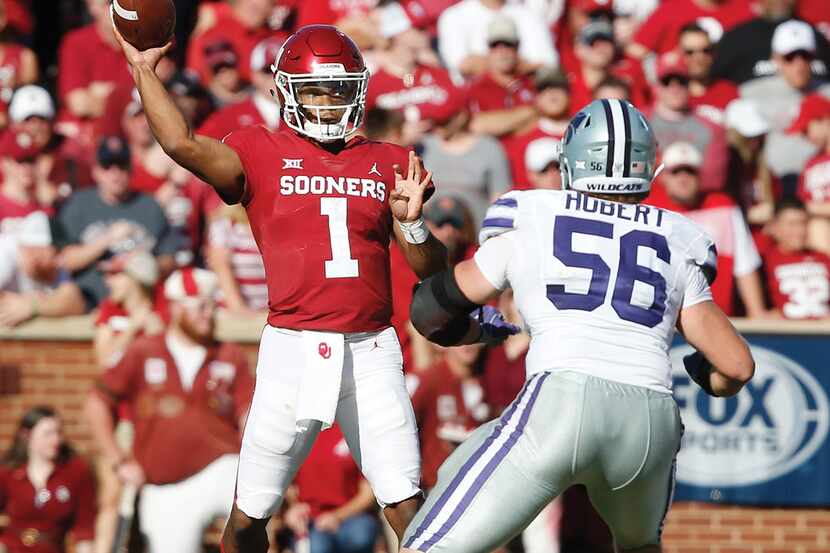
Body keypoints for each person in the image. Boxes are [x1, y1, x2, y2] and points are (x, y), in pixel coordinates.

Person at [111, 23, 449, 552]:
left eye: (338, 91)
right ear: (284, 92)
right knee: (249, 518)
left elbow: (432, 268)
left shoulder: (388, 161)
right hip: (293, 349)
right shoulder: (258, 150)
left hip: (371, 351)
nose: (328, 104)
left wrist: (411, 223)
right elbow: (179, 142)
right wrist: (142, 68)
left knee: (410, 506)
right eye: (315, 90)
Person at [401, 99, 755, 553]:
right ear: (647, 166)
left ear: (573, 161)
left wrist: (479, 332)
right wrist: (710, 378)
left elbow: (430, 311)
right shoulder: (678, 236)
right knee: (639, 546)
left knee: (430, 545)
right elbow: (738, 366)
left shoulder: (531, 213)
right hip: (649, 422)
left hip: (561, 402)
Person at [84, 267, 254, 553]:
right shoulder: (145, 350)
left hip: (223, 466)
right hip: (165, 483)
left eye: (213, 306)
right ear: (175, 307)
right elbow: (97, 402)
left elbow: (247, 410)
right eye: (200, 305)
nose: (208, 313)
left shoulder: (229, 354)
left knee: (255, 505)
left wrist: (259, 450)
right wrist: (118, 460)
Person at [53, 135, 178, 311]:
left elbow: (169, 259)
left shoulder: (150, 206)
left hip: (139, 305)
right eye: (107, 167)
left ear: (131, 168)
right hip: (90, 303)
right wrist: (106, 240)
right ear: (96, 171)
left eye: (121, 166)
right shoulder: (79, 205)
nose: (115, 174)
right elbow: (65, 261)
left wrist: (143, 264)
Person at [648, 141, 768, 317]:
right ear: (664, 177)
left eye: (690, 172)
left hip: (714, 318)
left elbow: (745, 265)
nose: (683, 179)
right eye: (676, 172)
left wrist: (757, 312)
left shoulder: (724, 207)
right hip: (662, 317)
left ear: (700, 176)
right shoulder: (650, 209)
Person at [739, 20, 830, 182]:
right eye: (790, 57)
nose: (799, 64)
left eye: (805, 56)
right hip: (775, 184)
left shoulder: (826, 93)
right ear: (776, 58)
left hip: (820, 180)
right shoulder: (751, 93)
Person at [0, 406, 96, 553]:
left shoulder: (75, 472)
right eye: (47, 434)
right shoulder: (8, 473)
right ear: (27, 435)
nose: (56, 439)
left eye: (58, 432)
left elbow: (85, 528)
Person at [418, 89, 513, 225]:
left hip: (475, 235)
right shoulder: (423, 147)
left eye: (443, 121)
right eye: (434, 121)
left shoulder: (490, 148)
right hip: (432, 235)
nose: (437, 127)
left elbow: (499, 200)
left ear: (461, 116)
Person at [284, 425, 381, 553]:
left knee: (359, 537)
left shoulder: (353, 430)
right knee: (316, 548)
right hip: (312, 520)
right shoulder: (299, 433)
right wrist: (294, 507)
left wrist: (337, 516)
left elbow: (368, 493)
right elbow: (288, 486)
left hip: (353, 517)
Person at [410, 343, 490, 490]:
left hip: (478, 484)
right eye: (460, 338)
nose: (468, 344)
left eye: (474, 337)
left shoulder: (489, 379)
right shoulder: (428, 380)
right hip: (434, 486)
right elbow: (403, 432)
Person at [647, 50, 729, 192]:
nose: (675, 89)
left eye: (681, 82)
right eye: (667, 82)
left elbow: (715, 180)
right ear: (656, 87)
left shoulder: (711, 127)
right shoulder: (639, 123)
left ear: (689, 85)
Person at [711, 0, 830, 86]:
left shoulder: (815, 35)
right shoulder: (737, 37)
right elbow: (716, 83)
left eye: (805, 55)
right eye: (789, 57)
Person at [437, 0, 557, 83]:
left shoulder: (528, 15)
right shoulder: (454, 16)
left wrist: (497, 65)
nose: (503, 52)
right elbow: (464, 65)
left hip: (525, 97)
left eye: (509, 46)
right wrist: (518, 65)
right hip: (474, 102)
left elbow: (548, 65)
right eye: (494, 46)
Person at [0, 211, 86, 327]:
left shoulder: (51, 268)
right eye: (58, 251)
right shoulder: (5, 254)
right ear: (37, 250)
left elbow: (76, 303)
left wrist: (33, 306)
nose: (63, 258)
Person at [762, 198, 830, 319]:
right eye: (792, 224)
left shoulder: (822, 258)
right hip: (784, 333)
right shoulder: (765, 260)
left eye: (803, 223)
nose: (800, 231)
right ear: (774, 227)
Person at [789, 94, 830, 254]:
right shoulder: (811, 163)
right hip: (819, 234)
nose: (805, 136)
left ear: (825, 120)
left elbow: (807, 206)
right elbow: (803, 202)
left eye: (807, 129)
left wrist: (812, 208)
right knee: (816, 227)